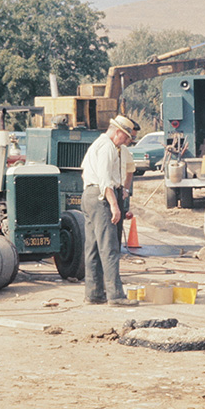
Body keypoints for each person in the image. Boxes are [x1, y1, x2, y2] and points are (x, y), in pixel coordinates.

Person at [81, 114, 139, 306]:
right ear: (117, 132)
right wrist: (114, 205)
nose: (126, 142)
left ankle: (94, 293)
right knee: (109, 248)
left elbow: (88, 173)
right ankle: (116, 295)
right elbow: (105, 180)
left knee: (93, 248)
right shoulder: (107, 147)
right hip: (100, 197)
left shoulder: (97, 145)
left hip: (89, 195)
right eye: (125, 137)